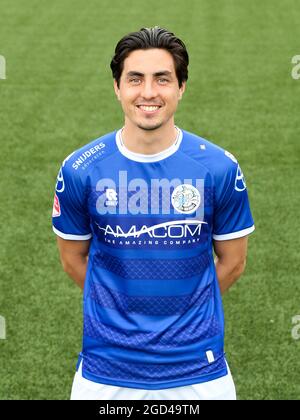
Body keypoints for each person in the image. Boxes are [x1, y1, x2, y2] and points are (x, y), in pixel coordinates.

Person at [52, 26, 255, 400]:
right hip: (106, 368)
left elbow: (234, 262)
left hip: (198, 367)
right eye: (135, 79)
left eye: (162, 79)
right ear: (117, 87)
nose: (148, 92)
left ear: (181, 88)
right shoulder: (80, 169)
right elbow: (72, 259)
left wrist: (181, 311)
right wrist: (125, 309)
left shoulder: (218, 168)